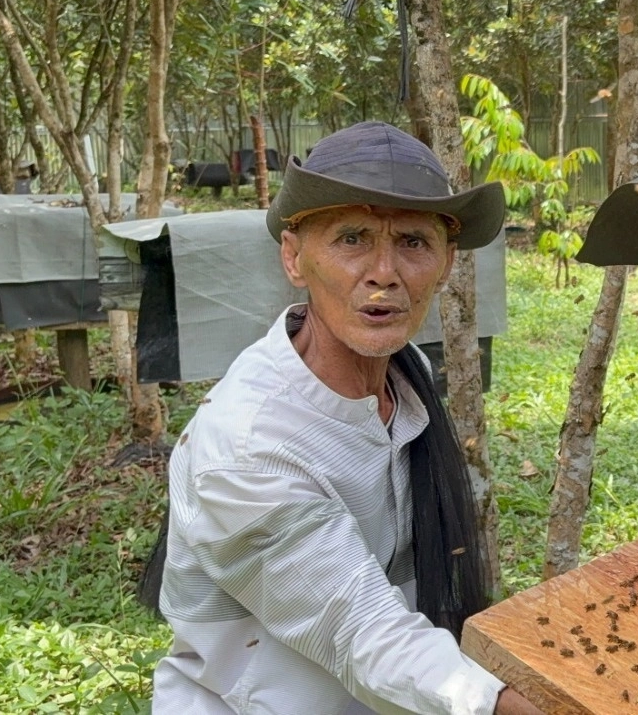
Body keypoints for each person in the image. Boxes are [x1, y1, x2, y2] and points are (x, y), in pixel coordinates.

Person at [144, 122, 541, 714]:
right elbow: (358, 628)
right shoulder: (249, 447)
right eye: (352, 239)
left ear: (447, 262)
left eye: (413, 242)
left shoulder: (407, 381)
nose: (385, 272)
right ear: (294, 256)